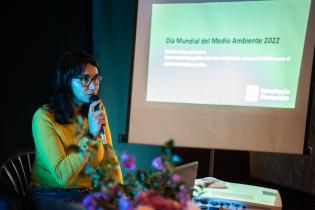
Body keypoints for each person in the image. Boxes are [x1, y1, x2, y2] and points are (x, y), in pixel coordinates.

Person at [29, 50, 123, 210]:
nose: (93, 86)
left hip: (88, 192)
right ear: (66, 81)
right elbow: (63, 177)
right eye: (85, 79)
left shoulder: (95, 110)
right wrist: (91, 135)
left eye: (96, 79)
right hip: (52, 193)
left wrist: (121, 192)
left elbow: (109, 154)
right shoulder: (43, 117)